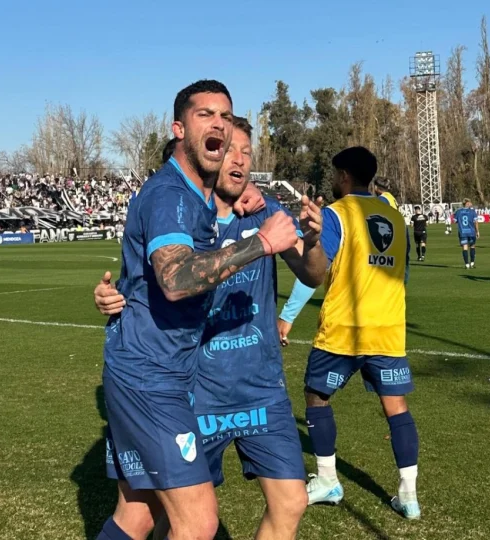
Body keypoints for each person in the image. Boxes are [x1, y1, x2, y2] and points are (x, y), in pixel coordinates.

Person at [95, 117, 326, 539]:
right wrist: (110, 297)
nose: (238, 160)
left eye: (246, 153)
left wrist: (310, 242)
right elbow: (148, 280)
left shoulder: (266, 211)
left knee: (291, 501)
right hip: (195, 391)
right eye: (229, 149)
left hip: (261, 388)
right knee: (150, 515)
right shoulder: (181, 214)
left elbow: (313, 274)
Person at [276, 147, 420, 519]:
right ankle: (409, 494)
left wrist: (287, 315)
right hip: (388, 329)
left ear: (343, 176)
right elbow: (402, 274)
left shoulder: (336, 214)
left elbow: (315, 271)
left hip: (344, 329)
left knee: (316, 395)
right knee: (396, 407)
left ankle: (327, 479)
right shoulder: (395, 216)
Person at [453, 200, 479, 269]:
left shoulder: (458, 211)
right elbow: (476, 222)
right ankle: (472, 263)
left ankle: (467, 264)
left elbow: (454, 221)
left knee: (465, 247)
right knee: (472, 246)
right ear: (467, 203)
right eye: (470, 202)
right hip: (471, 232)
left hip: (462, 232)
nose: (471, 203)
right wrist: (477, 231)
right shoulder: (472, 211)